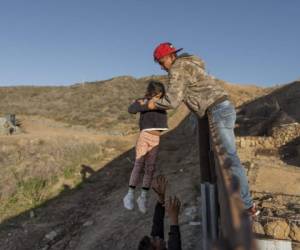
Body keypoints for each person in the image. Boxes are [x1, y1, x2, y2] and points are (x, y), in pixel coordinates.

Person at [148, 42, 259, 216]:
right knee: (226, 156)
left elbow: (173, 101)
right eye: (159, 64)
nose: (162, 67)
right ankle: (240, 202)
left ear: (170, 56)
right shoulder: (188, 64)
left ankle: (246, 205)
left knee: (228, 158)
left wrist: (153, 103)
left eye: (161, 62)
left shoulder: (178, 68)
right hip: (223, 107)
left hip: (217, 110)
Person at [123, 81, 168, 214]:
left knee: (150, 168)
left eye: (160, 94)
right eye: (156, 94)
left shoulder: (163, 103)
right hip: (145, 135)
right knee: (139, 164)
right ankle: (130, 195)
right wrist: (146, 104)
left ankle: (143, 197)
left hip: (156, 139)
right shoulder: (143, 101)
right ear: (151, 92)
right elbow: (131, 109)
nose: (158, 97)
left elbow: (173, 102)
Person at [138, 175, 182, 250]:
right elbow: (175, 246)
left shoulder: (157, 245)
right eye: (155, 240)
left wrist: (161, 197)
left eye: (154, 238)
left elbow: (157, 223)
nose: (158, 237)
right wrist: (174, 218)